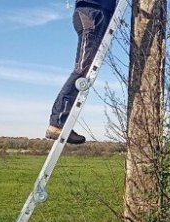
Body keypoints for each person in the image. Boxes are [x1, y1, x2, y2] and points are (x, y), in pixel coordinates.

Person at [45, 0, 118, 144]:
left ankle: (59, 122)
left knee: (85, 68)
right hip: (91, 12)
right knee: (83, 68)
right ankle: (57, 123)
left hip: (101, 13)